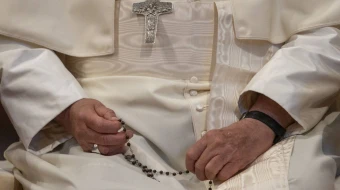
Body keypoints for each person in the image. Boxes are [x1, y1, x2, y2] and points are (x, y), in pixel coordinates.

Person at [0, 0, 339, 189]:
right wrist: (67, 107)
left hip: (267, 127)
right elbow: (11, 38)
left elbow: (329, 30)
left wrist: (265, 119)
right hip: (106, 142)